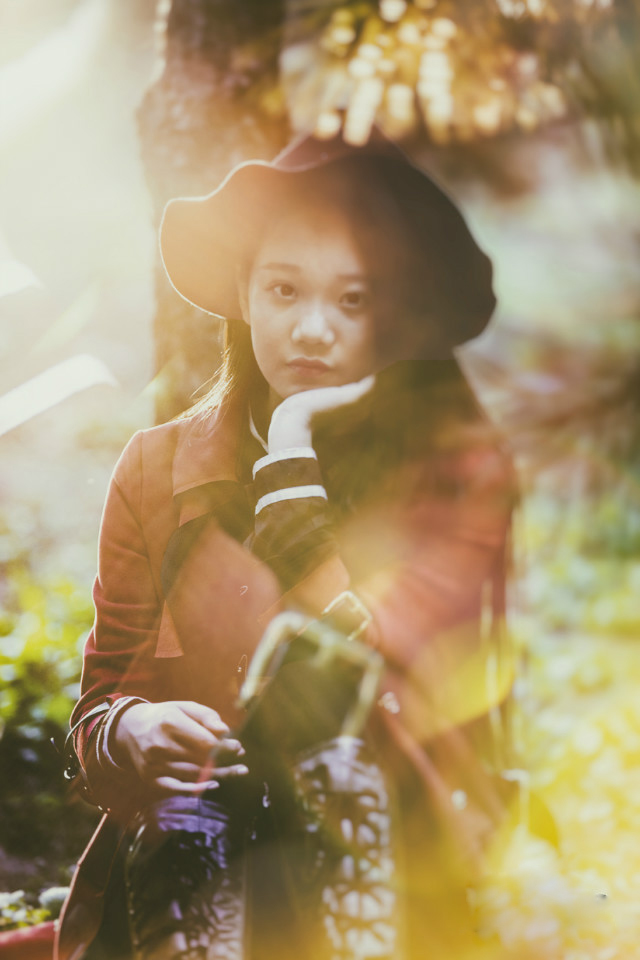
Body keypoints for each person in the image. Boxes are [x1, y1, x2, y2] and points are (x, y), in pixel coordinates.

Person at [55, 129, 517, 960]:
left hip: (386, 896)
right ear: (244, 292)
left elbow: (403, 709)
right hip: (181, 894)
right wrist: (132, 730)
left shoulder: (455, 479)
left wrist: (294, 472)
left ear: (398, 315)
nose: (311, 329)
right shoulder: (158, 468)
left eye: (352, 300)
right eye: (283, 290)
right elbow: (97, 712)